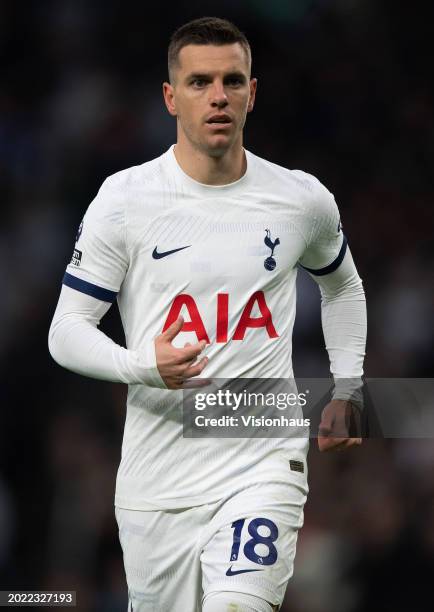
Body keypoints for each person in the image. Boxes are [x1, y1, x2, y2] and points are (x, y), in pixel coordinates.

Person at [48, 16, 366, 612]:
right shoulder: (125, 201)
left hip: (263, 461)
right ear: (170, 97)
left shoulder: (301, 199)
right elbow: (65, 332)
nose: (217, 95)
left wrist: (349, 386)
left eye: (232, 80)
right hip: (156, 481)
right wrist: (144, 365)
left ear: (253, 92)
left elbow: (343, 286)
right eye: (198, 82)